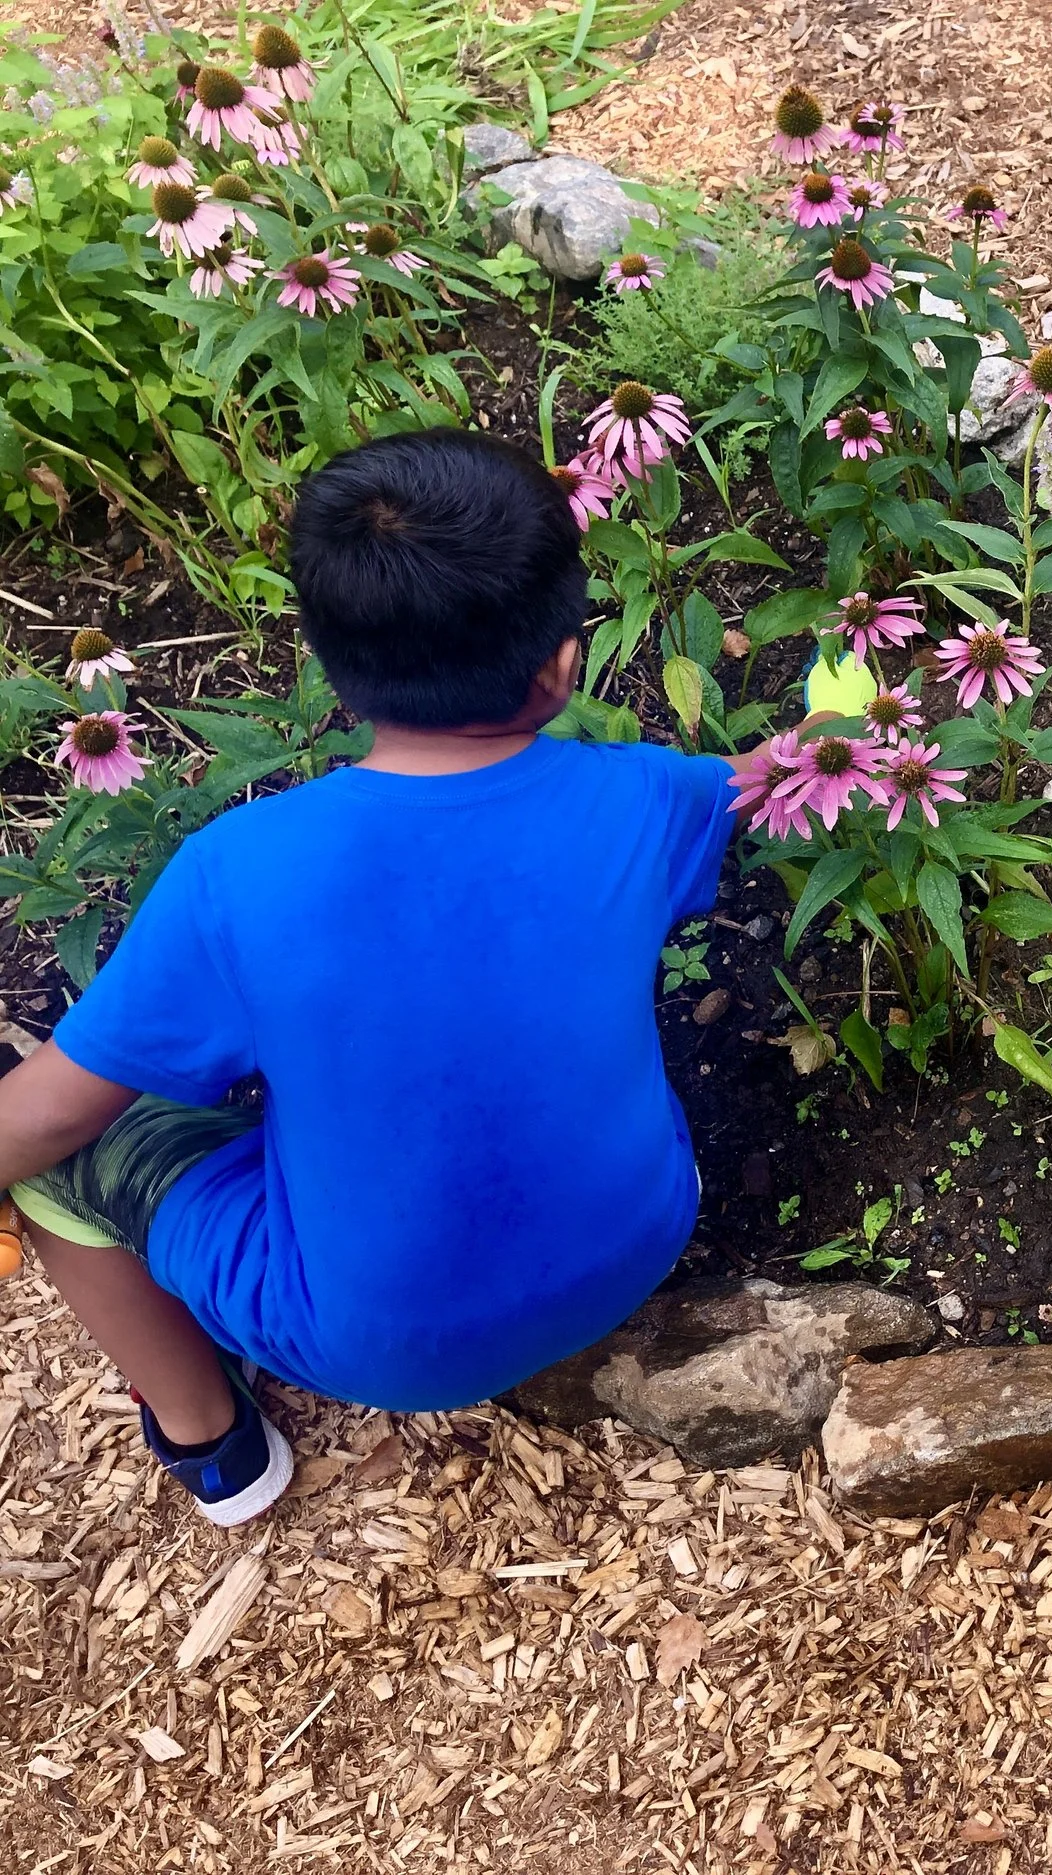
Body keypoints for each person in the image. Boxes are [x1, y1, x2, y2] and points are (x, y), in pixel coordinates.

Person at [0, 430, 739, 1524]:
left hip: (384, 1346)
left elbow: (50, 1120)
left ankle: (213, 1446)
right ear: (561, 665)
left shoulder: (242, 873)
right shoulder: (644, 797)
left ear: (334, 670)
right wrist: (845, 720)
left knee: (51, 1162)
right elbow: (774, 783)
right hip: (640, 1234)